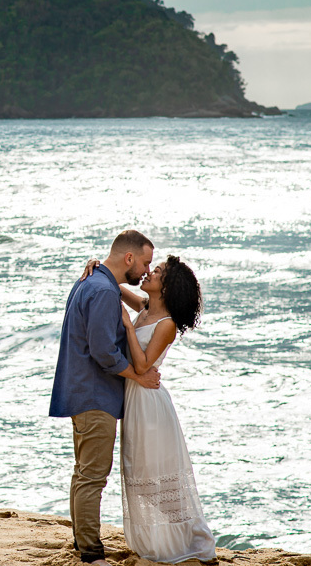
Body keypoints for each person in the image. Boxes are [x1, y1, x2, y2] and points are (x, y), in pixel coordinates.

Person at [50, 230, 161, 566]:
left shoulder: (96, 283)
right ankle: (90, 554)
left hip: (86, 391)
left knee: (85, 473)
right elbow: (104, 352)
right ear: (129, 258)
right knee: (93, 476)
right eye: (144, 262)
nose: (145, 270)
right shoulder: (101, 290)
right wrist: (138, 375)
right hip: (95, 394)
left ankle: (84, 544)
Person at [109, 255, 216, 563]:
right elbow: (114, 286)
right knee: (139, 472)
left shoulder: (166, 323)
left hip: (151, 405)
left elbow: (143, 365)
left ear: (167, 287)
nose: (149, 273)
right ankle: (167, 538)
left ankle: (190, 539)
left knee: (155, 475)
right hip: (135, 401)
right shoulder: (144, 307)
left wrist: (127, 326)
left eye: (156, 272)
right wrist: (96, 264)